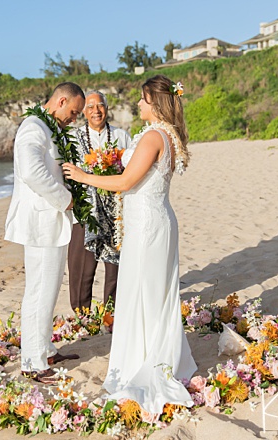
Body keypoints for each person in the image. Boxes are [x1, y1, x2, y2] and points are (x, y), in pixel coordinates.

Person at [63, 75, 197, 414]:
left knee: (144, 293)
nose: (137, 104)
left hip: (149, 224)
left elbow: (125, 181)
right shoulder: (165, 134)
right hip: (150, 220)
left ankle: (147, 361)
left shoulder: (154, 136)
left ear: (154, 102)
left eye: (142, 99)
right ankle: (156, 354)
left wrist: (82, 176)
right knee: (149, 291)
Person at [4, 82, 85, 384]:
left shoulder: (48, 127)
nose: (74, 118)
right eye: (73, 112)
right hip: (41, 223)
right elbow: (32, 172)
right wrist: (67, 199)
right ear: (61, 101)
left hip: (51, 222)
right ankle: (33, 363)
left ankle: (45, 349)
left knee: (48, 289)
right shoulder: (33, 127)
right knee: (39, 291)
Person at [68, 91, 132, 312]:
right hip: (85, 211)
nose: (96, 110)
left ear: (107, 108)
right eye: (91, 106)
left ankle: (112, 314)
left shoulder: (121, 136)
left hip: (115, 212)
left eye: (100, 105)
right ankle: (81, 315)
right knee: (82, 269)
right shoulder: (73, 138)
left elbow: (130, 171)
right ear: (84, 111)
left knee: (115, 266)